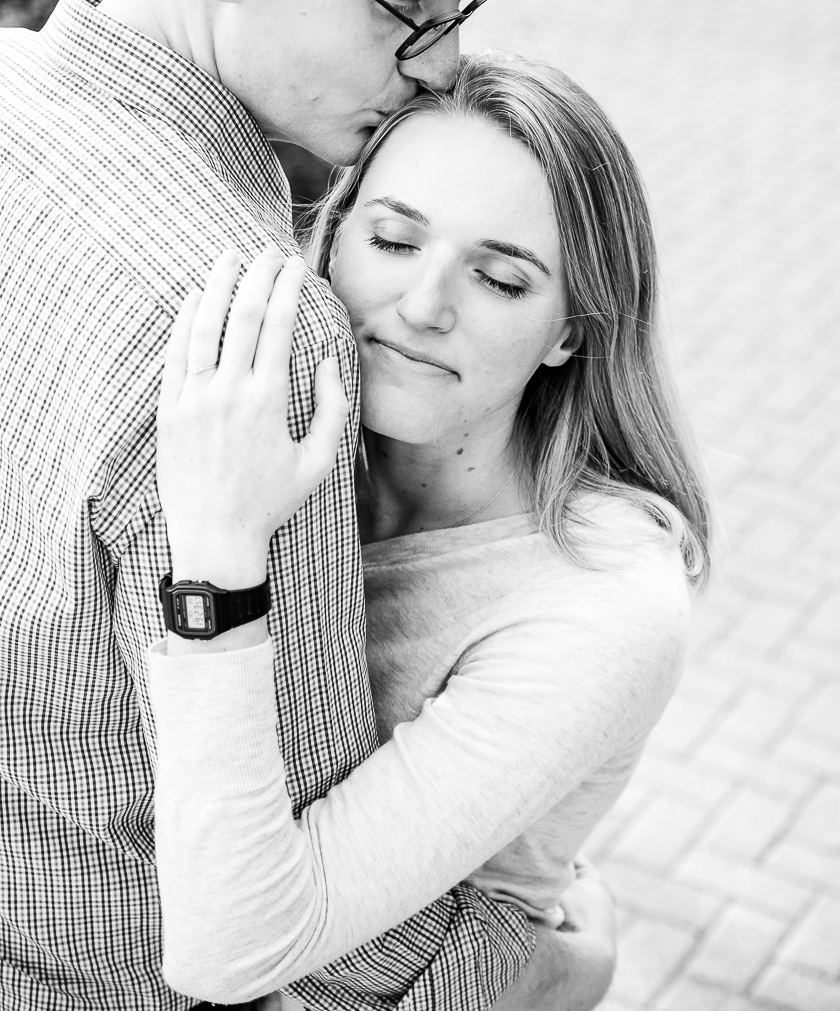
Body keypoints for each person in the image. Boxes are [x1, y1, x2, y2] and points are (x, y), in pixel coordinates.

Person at [0, 0, 615, 1008]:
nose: (441, 64)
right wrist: (543, 960)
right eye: (411, 11)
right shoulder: (251, 327)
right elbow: (302, 912)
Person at [148, 53, 712, 1006]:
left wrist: (219, 560)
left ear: (570, 331)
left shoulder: (605, 602)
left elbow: (232, 948)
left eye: (500, 280)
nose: (422, 307)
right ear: (333, 236)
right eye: (394, 240)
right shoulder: (274, 439)